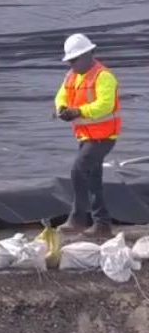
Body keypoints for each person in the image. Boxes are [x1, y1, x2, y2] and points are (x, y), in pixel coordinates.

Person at [54, 33, 120, 240]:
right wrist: (61, 108)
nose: (72, 64)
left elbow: (105, 105)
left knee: (78, 170)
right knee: (93, 179)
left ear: (88, 54)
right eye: (70, 61)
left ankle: (78, 218)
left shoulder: (104, 77)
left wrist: (78, 111)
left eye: (74, 60)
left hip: (104, 136)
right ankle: (102, 225)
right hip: (86, 137)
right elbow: (61, 95)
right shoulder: (72, 76)